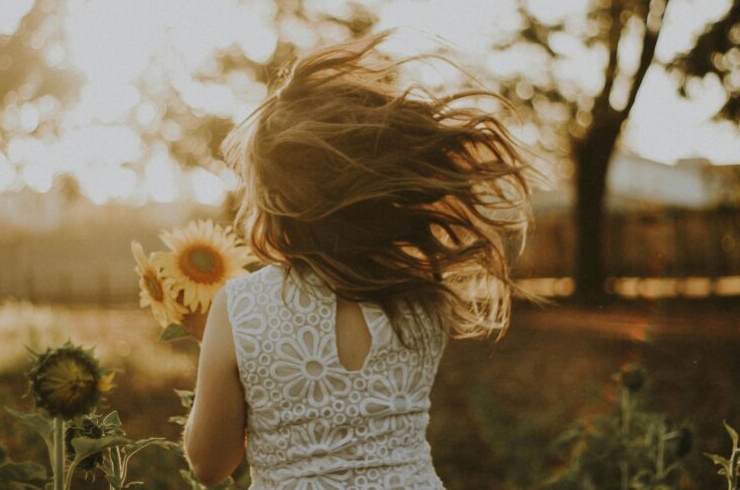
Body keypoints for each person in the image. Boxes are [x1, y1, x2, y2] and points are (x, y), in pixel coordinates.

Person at [182, 28, 534, 489]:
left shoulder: (242, 306)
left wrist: (213, 351)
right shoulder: (423, 296)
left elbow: (210, 465)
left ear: (276, 199)